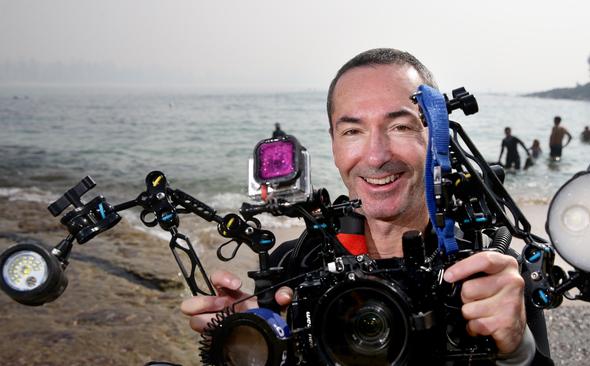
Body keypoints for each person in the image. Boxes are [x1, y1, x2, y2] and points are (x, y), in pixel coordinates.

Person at [181, 48, 553, 365]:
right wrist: (246, 343)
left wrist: (517, 350)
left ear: (436, 136)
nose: (375, 156)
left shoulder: (489, 269)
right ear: (333, 142)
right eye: (352, 131)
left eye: (401, 127)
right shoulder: (293, 266)